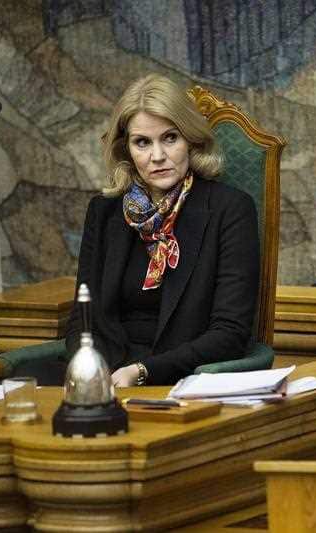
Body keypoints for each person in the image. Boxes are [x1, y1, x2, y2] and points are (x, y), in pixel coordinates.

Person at [56, 73, 260, 387]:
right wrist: (97, 376)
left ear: (190, 139)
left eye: (169, 138)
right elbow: (83, 322)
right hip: (107, 381)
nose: (157, 156)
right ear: (126, 150)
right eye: (142, 142)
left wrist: (141, 372)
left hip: (185, 380)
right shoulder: (105, 211)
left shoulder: (229, 209)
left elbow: (230, 334)